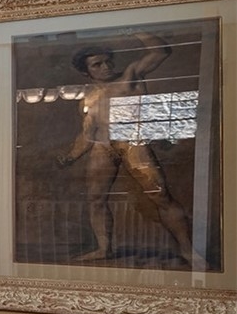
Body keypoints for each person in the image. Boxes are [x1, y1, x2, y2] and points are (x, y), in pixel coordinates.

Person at [57, 31, 204, 269]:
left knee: (160, 196)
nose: (106, 67)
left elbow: (161, 52)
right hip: (103, 148)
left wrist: (134, 30)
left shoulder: (129, 76)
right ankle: (104, 249)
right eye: (98, 64)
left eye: (107, 61)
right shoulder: (89, 99)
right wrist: (70, 157)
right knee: (95, 199)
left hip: (132, 142)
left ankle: (188, 251)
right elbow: (87, 135)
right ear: (87, 72)